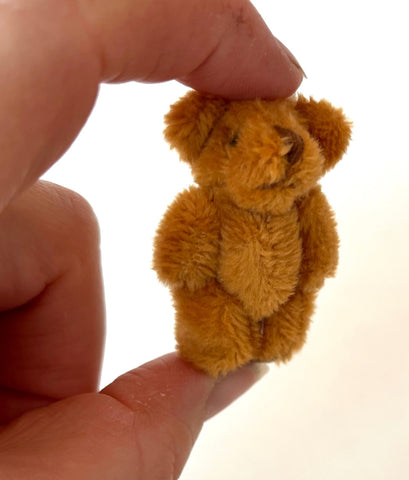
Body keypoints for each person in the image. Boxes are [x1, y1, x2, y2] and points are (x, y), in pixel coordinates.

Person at [0, 0, 303, 478]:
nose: (275, 154)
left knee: (287, 316)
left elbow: (318, 253)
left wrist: (312, 266)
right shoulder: (206, 206)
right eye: (236, 143)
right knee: (216, 325)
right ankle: (225, 348)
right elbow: (179, 257)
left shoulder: (304, 209)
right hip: (218, 303)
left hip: (282, 298)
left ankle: (271, 338)